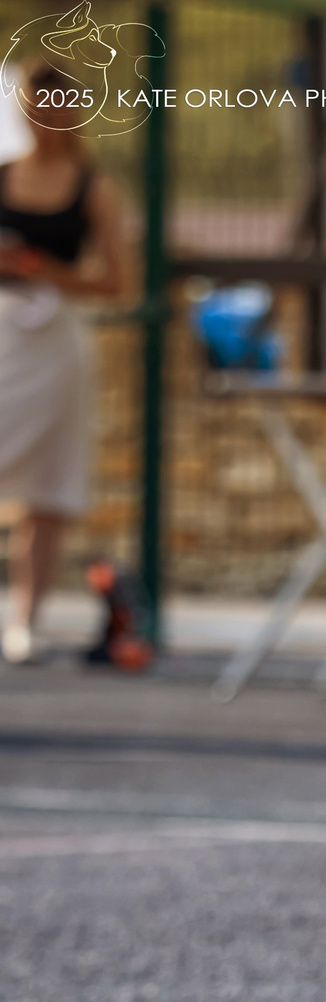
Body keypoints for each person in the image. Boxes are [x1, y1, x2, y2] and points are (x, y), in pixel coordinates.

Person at [0, 57, 131, 664]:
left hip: (57, 337)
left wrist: (51, 272)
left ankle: (25, 617)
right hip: (2, 331)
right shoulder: (1, 176)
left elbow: (119, 281)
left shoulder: (94, 186)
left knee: (47, 486)